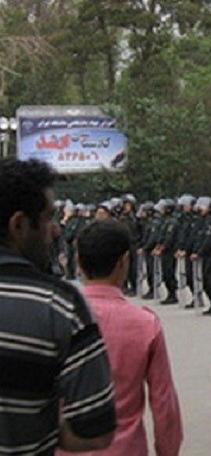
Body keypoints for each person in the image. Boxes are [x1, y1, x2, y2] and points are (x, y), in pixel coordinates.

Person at [0, 158, 116, 454]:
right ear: (19, 225)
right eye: (50, 217)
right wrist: (39, 425)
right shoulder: (59, 305)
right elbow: (95, 430)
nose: (56, 230)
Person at [58, 220, 183, 456]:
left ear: (79, 261)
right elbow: (163, 402)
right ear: (124, 261)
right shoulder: (145, 324)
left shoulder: (57, 318)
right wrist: (168, 451)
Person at [192, 196, 211, 316]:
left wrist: (199, 252)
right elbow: (197, 238)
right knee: (204, 281)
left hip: (210, 255)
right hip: (204, 255)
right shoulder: (201, 221)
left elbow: (209, 240)